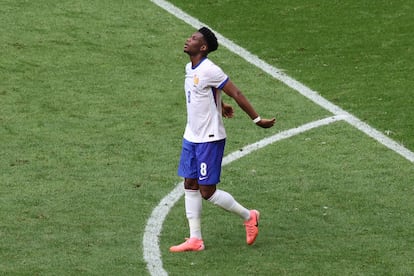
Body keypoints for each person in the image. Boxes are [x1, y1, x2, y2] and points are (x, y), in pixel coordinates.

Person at [170, 27, 276, 252]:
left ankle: (249, 216)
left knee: (207, 191)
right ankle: (195, 239)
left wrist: (257, 119)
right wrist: (220, 104)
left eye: (194, 39)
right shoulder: (189, 67)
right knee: (189, 183)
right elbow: (202, 94)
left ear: (204, 47)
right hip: (191, 135)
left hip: (209, 138)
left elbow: (235, 93)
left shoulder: (210, 70)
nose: (189, 40)